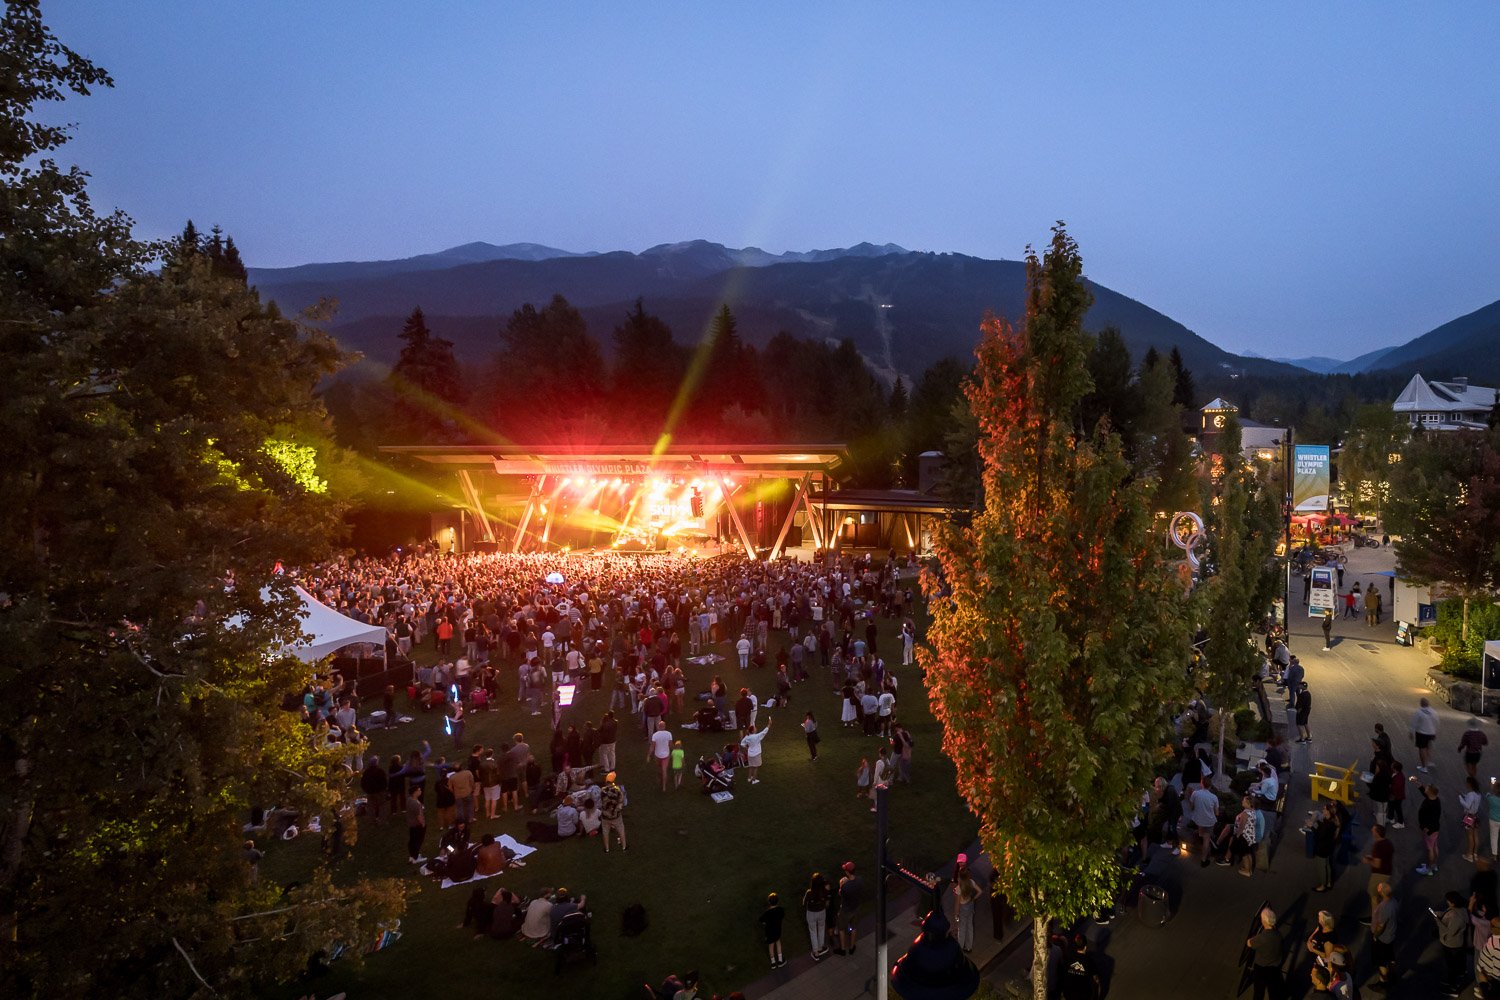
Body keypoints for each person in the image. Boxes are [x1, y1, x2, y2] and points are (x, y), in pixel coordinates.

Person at [1435, 889, 1470, 996]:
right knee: (1456, 964)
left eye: (1448, 901)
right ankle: (1457, 976)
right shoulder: (1461, 910)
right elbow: (1448, 913)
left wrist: (1437, 920)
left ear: (1453, 902)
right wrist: (1440, 914)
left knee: (1451, 967)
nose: (1447, 902)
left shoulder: (1456, 916)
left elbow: (1450, 932)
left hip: (1451, 944)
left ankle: (1453, 988)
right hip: (1457, 943)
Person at [1246, 907, 1284, 1000]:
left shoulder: (1262, 937)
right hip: (1275, 968)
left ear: (1264, 922)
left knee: (1259, 992)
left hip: (1261, 968)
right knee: (1273, 992)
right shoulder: (1278, 934)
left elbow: (1249, 943)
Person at [1369, 879, 1397, 991]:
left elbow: (1381, 925)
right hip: (1391, 935)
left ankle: (1383, 983)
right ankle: (1393, 973)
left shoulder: (1385, 907)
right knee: (1390, 956)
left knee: (1381, 961)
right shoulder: (1394, 901)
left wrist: (1376, 935)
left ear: (1383, 893)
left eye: (1381, 888)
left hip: (1383, 938)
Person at [1363, 823, 1394, 917]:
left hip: (1379, 874)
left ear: (1377, 833)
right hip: (1387, 872)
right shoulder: (1388, 842)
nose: (1372, 832)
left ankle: (1375, 918)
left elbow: (1377, 864)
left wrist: (1367, 860)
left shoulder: (1378, 846)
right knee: (1382, 894)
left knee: (1374, 896)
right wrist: (1373, 857)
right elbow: (1383, 857)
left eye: (1373, 831)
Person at [1059, 933, 1102, 1000]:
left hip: (1069, 994)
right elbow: (1096, 981)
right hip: (1084, 995)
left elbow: (1062, 974)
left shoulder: (1068, 958)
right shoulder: (1089, 961)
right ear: (1085, 947)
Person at [951, 866, 982, 953]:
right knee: (970, 926)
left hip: (963, 908)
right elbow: (980, 891)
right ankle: (969, 947)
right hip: (970, 905)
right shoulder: (971, 882)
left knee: (961, 929)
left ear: (959, 877)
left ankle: (960, 949)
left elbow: (957, 904)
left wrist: (956, 916)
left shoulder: (958, 888)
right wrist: (973, 899)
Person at [836, 861, 864, 955]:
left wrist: (841, 885)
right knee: (854, 927)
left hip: (846, 910)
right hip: (856, 908)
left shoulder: (845, 886)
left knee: (841, 929)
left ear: (847, 872)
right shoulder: (860, 880)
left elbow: (841, 894)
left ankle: (843, 949)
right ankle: (852, 948)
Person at [1418, 779, 1444, 876]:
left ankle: (1429, 869)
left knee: (1430, 849)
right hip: (1435, 828)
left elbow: (1429, 817)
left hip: (1429, 829)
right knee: (1435, 846)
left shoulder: (1429, 804)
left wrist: (1425, 827)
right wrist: (1419, 783)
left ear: (1430, 791)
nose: (1426, 788)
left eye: (1427, 788)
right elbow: (1426, 794)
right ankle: (1434, 865)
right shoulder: (1436, 799)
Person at [803, 872, 831, 959]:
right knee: (821, 929)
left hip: (811, 913)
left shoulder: (809, 892)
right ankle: (820, 947)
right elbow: (827, 901)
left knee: (813, 931)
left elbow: (804, 903)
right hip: (821, 912)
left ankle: (816, 953)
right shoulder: (824, 891)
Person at [599, 771, 627, 853]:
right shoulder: (618, 791)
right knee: (621, 830)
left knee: (605, 832)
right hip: (616, 815)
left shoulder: (602, 790)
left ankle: (607, 849)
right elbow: (622, 802)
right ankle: (624, 847)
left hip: (605, 816)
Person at [740, 717, 772, 785]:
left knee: (751, 766)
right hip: (756, 754)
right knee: (756, 767)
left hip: (750, 754)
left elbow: (742, 743)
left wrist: (747, 748)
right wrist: (769, 724)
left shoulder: (747, 737)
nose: (756, 728)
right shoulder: (756, 736)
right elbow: (764, 731)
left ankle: (749, 778)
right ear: (753, 731)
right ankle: (754, 780)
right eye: (755, 728)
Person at [760, 892, 786, 969]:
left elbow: (761, 920)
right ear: (777, 901)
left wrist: (765, 922)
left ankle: (773, 962)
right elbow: (782, 916)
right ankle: (780, 960)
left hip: (769, 932)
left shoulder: (767, 913)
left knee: (771, 946)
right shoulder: (780, 909)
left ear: (769, 902)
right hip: (777, 930)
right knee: (778, 942)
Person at [1413, 698, 1440, 772]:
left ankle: (1424, 767)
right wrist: (1435, 731)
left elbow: (1414, 723)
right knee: (1428, 746)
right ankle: (1428, 761)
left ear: (1421, 704)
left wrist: (1411, 731)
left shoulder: (1419, 712)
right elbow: (1437, 722)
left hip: (1421, 733)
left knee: (1422, 749)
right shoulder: (1434, 712)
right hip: (1431, 733)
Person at [1464, 776, 1485, 863]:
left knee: (1470, 836)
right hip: (1475, 816)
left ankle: (1469, 855)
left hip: (1469, 817)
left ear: (1469, 784)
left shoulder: (1470, 794)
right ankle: (1475, 854)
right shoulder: (1478, 794)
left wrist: (1461, 799)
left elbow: (1467, 806)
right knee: (1475, 835)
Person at [649, 720, 672, 792]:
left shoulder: (655, 735)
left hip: (657, 755)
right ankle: (664, 786)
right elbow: (670, 745)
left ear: (658, 727)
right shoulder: (669, 734)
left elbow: (652, 746)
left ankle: (659, 778)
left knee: (659, 767)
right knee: (664, 770)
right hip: (666, 755)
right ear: (664, 726)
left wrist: (648, 755)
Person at [405, 785, 427, 863]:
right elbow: (419, 815)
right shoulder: (415, 803)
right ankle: (416, 857)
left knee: (412, 841)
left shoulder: (409, 800)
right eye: (419, 790)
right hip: (417, 825)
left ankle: (412, 856)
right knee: (418, 841)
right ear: (415, 792)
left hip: (412, 825)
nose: (420, 791)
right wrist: (423, 823)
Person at [869, 747, 891, 812]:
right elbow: (889, 770)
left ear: (880, 754)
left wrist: (874, 782)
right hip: (886, 780)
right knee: (883, 794)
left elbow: (876, 773)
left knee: (876, 796)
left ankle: (876, 808)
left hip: (880, 781)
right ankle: (883, 806)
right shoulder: (887, 760)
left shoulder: (879, 762)